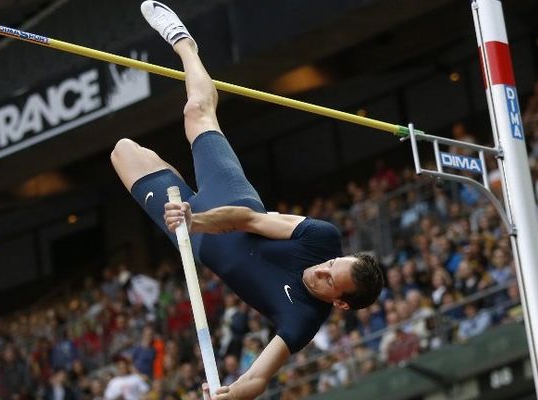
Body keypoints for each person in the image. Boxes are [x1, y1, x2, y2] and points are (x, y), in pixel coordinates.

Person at [110, 2, 384, 398]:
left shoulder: (303, 319)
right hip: (229, 200)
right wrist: (193, 217)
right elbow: (247, 221)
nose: (321, 270)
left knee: (124, 151)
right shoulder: (322, 238)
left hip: (198, 243)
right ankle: (184, 42)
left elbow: (257, 379)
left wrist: (228, 395)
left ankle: (172, 182)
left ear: (339, 304)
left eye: (329, 280)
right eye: (331, 265)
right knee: (197, 112)